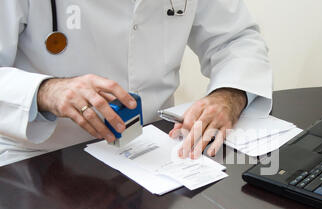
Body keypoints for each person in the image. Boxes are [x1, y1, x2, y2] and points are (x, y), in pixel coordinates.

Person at [0, 0, 272, 167]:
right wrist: (46, 91)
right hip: (39, 159)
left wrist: (229, 95)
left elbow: (235, 38)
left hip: (157, 152)